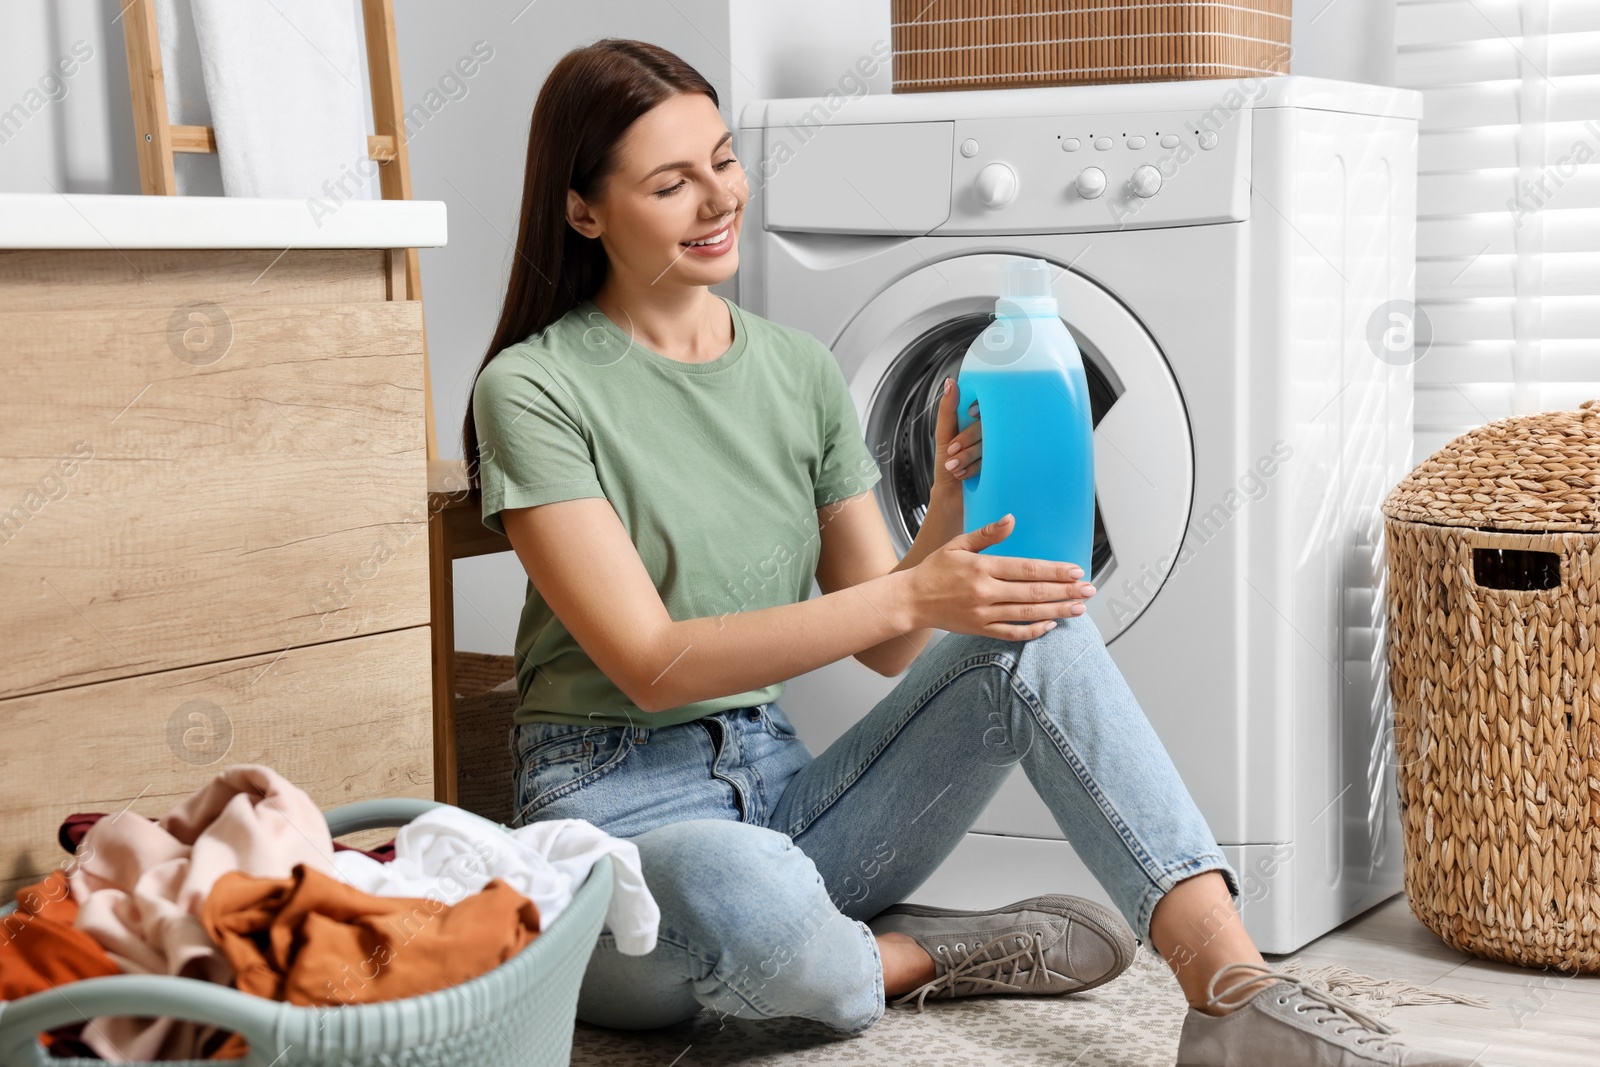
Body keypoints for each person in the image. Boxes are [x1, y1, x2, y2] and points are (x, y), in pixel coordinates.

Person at [462, 37, 1470, 1067]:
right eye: (670, 184)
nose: (718, 200)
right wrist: (918, 593)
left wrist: (943, 502)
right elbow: (649, 659)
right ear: (584, 211)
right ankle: (913, 953)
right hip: (618, 832)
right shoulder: (536, 390)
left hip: (784, 792)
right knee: (743, 889)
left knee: (1038, 633)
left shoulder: (796, 371)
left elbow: (887, 640)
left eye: (723, 160)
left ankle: (1232, 988)